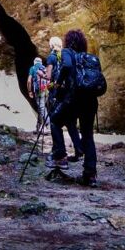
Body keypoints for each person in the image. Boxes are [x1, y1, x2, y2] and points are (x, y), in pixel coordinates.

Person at [47, 30, 98, 187]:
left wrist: (58, 83)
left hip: (73, 99)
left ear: (68, 41)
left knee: (55, 121)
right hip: (90, 101)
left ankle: (60, 156)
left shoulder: (68, 52)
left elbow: (67, 65)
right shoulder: (91, 58)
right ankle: (90, 175)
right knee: (88, 135)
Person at [45, 36, 82, 168]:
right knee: (70, 123)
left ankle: (60, 156)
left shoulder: (52, 57)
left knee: (55, 121)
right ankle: (79, 149)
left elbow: (49, 76)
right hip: (74, 95)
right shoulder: (75, 55)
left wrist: (53, 83)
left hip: (60, 94)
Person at [27, 57, 48, 131]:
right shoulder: (44, 68)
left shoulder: (32, 68)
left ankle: (47, 125)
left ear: (34, 62)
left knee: (41, 107)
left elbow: (29, 81)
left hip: (38, 90)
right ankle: (39, 127)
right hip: (45, 90)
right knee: (41, 107)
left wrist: (29, 91)